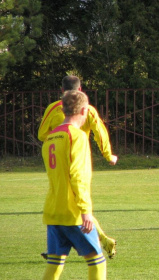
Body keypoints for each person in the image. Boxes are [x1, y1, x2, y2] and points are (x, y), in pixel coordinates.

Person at [38, 75, 117, 259]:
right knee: (75, 203)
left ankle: (97, 243)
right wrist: (108, 155)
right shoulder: (87, 109)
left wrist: (56, 141)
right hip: (81, 162)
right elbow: (100, 132)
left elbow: (42, 134)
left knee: (68, 203)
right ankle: (59, 248)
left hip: (59, 165)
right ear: (80, 90)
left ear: (61, 92)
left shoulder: (53, 108)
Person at [41, 90, 106, 279]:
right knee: (97, 262)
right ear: (85, 110)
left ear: (62, 109)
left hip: (53, 211)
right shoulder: (77, 136)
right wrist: (85, 210)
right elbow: (78, 176)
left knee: (54, 265)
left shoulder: (50, 138)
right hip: (73, 213)